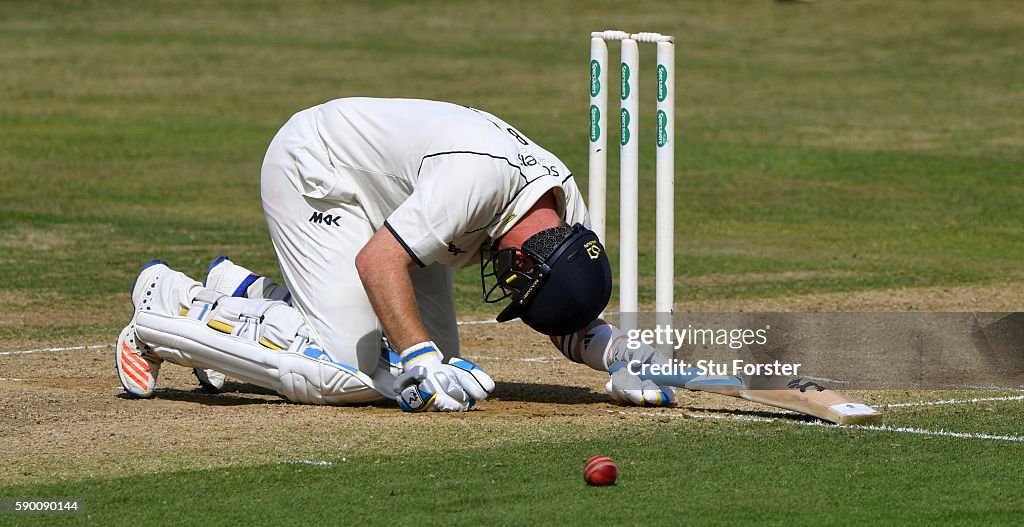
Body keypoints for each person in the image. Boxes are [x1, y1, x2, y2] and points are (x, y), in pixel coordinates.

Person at [115, 97, 675, 411]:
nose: (506, 288)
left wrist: (617, 356)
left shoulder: (565, 217)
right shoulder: (471, 185)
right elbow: (377, 261)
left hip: (402, 206)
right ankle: (163, 308)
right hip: (317, 169)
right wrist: (418, 361)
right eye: (515, 285)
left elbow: (554, 296)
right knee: (350, 373)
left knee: (440, 356)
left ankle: (241, 290)